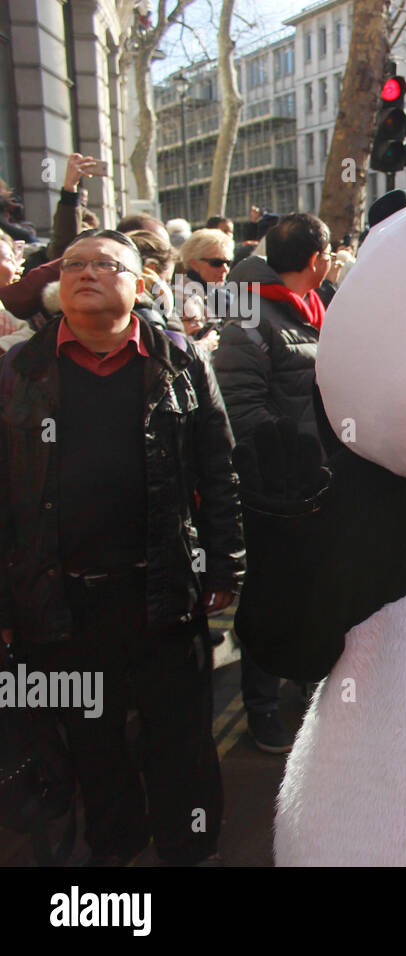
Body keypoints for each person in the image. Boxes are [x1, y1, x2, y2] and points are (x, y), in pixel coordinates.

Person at [0, 228, 244, 864]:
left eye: (105, 265)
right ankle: (116, 849)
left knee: (181, 738)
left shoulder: (178, 359)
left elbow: (218, 468)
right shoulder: (16, 371)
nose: (86, 273)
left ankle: (190, 847)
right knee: (92, 741)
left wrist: (225, 563)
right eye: (75, 263)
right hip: (57, 599)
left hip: (162, 589)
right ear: (57, 285)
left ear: (140, 286)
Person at [213, 212, 330, 753]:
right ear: (316, 260)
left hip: (313, 487)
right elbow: (240, 406)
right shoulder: (251, 316)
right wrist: (290, 464)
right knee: (269, 595)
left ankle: (306, 687)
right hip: (273, 493)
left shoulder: (307, 309)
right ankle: (260, 708)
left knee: (310, 592)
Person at [178, 228, 234, 348]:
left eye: (228, 263)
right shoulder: (179, 297)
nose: (225, 269)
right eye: (216, 263)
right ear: (194, 264)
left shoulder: (226, 296)